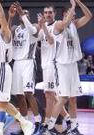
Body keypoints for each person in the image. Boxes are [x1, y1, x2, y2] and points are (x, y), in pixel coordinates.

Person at [47, 0, 92, 134]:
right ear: (64, 14)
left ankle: (73, 127)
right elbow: (65, 22)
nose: (73, 15)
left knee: (73, 98)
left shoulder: (73, 24)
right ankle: (49, 128)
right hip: (61, 66)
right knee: (63, 98)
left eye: (73, 13)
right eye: (70, 13)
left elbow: (89, 16)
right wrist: (73, 6)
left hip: (72, 65)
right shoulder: (58, 25)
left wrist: (79, 2)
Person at [0, 0, 33, 135]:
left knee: (1, 101)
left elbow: (4, 21)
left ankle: (1, 128)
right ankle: (23, 122)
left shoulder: (6, 34)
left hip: (3, 68)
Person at [8, 2, 42, 134]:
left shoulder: (33, 27)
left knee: (28, 93)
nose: (23, 15)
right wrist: (10, 17)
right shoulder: (16, 29)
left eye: (26, 14)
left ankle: (38, 122)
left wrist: (22, 13)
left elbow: (33, 31)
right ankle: (25, 125)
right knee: (19, 96)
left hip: (28, 62)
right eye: (22, 14)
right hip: (17, 63)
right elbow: (5, 32)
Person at [38, 5, 72, 134]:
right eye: (45, 12)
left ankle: (47, 125)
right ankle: (68, 119)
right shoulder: (42, 28)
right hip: (46, 65)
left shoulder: (57, 25)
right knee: (52, 95)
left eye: (50, 12)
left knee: (50, 96)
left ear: (54, 13)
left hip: (53, 65)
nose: (48, 14)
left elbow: (51, 41)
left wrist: (43, 27)